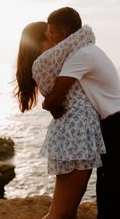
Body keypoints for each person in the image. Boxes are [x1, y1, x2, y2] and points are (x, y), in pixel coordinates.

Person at [43, 7, 120, 219]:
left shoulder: (81, 55)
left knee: (114, 188)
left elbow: (54, 99)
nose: (49, 37)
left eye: (50, 32)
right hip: (119, 122)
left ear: (60, 33)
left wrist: (49, 104)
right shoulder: (88, 49)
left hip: (118, 123)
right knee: (111, 188)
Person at [15, 19, 106, 219]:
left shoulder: (49, 62)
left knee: (67, 212)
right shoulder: (49, 60)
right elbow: (81, 38)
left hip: (73, 133)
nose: (58, 40)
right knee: (61, 213)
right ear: (39, 43)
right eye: (51, 35)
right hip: (75, 135)